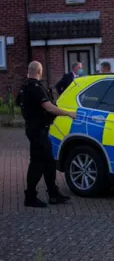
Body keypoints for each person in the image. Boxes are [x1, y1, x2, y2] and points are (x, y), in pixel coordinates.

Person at [17, 61, 76, 208]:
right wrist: (68, 113)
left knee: (49, 162)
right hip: (38, 131)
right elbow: (48, 107)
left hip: (37, 129)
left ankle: (53, 194)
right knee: (37, 164)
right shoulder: (35, 88)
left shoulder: (24, 88)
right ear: (39, 71)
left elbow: (21, 104)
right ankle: (30, 197)